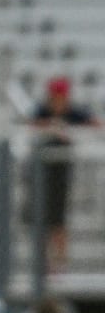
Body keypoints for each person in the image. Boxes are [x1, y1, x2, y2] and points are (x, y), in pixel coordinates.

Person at [28, 76, 100, 272]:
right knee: (41, 219)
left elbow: (96, 124)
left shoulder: (75, 112)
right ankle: (43, 265)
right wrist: (51, 128)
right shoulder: (42, 111)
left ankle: (59, 266)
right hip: (41, 171)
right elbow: (30, 127)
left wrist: (68, 131)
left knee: (58, 221)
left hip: (60, 172)